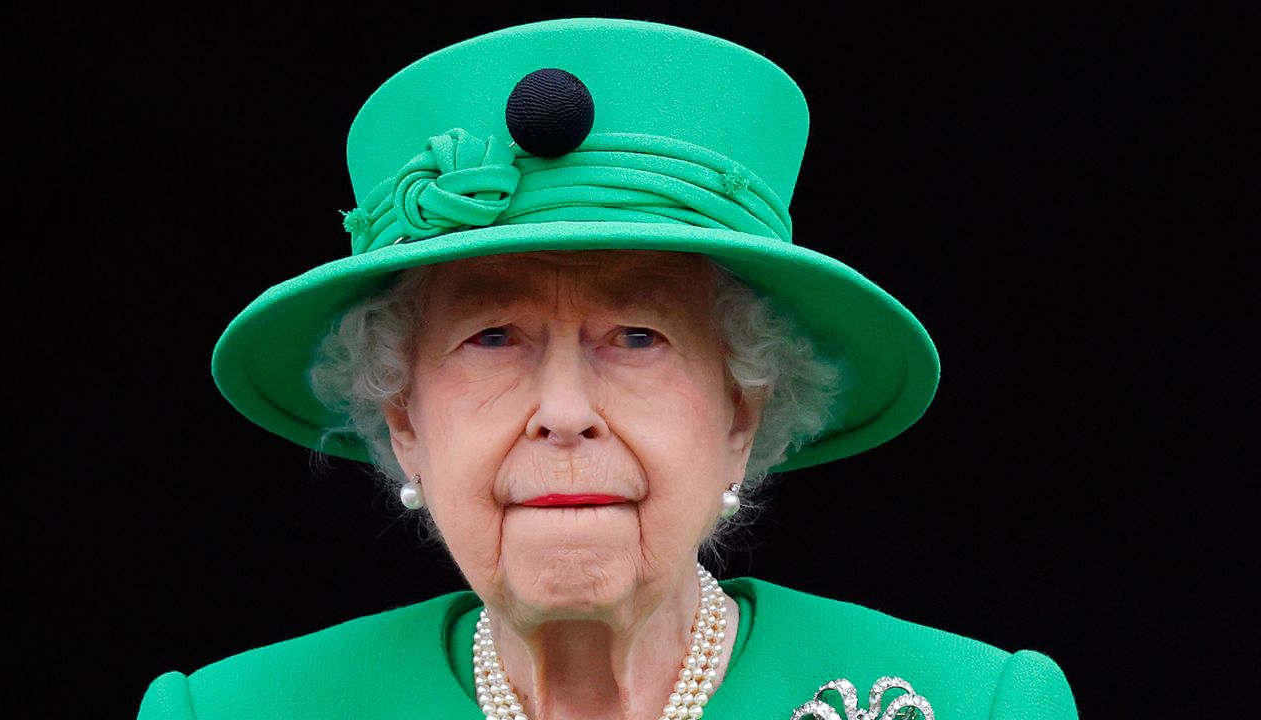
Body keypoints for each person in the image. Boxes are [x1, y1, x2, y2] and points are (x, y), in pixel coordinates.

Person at [137, 17, 1078, 720]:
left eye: (636, 336)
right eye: (493, 337)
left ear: (742, 413)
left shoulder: (975, 703)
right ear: (405, 420)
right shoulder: (228, 711)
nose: (564, 410)